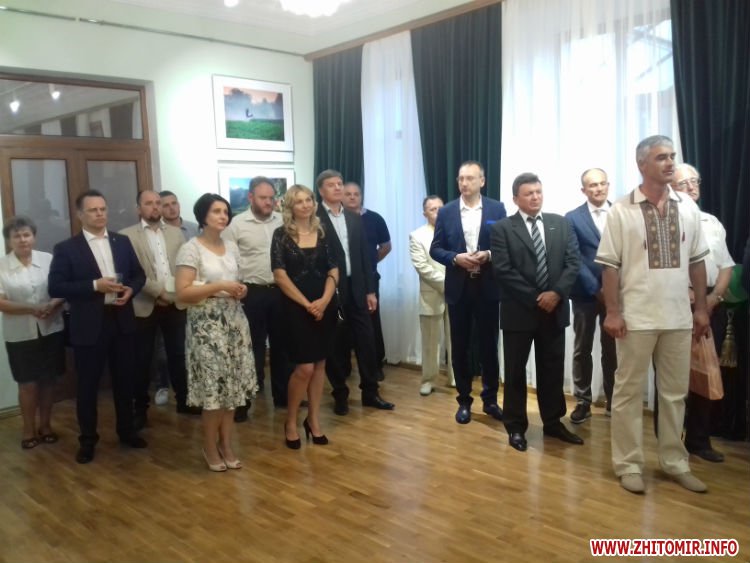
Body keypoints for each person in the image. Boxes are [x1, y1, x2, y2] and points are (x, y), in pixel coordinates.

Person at [596, 135, 710, 494]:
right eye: (661, 157)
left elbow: (697, 261)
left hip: (678, 317)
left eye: (672, 156)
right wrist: (613, 312)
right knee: (628, 393)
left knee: (674, 394)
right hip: (636, 318)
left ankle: (675, 462)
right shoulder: (621, 210)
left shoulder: (687, 207)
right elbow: (610, 267)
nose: (670, 162)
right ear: (641, 164)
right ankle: (629, 464)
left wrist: (701, 308)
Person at [48, 190, 147, 464]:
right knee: (88, 385)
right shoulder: (67, 248)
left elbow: (139, 274)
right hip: (89, 325)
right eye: (93, 210)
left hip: (121, 319)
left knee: (125, 380)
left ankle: (126, 431)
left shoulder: (121, 241)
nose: (100, 214)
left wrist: (131, 290)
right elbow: (56, 287)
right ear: (80, 215)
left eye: (103, 208)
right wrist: (94, 285)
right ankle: (88, 440)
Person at [491, 173, 583, 452]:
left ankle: (553, 423)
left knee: (552, 370)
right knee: (515, 372)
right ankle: (516, 427)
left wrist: (556, 294)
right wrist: (536, 298)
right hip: (519, 311)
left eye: (538, 192)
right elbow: (503, 270)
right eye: (528, 193)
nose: (535, 197)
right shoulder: (503, 228)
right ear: (515, 198)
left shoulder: (561, 223)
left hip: (554, 311)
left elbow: (573, 262)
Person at [175, 193, 257, 472]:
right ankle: (209, 447)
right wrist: (220, 285)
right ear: (203, 216)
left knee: (232, 389)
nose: (223, 216)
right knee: (213, 391)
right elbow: (183, 292)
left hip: (234, 320)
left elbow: (237, 282)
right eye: (216, 211)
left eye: (225, 212)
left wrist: (240, 289)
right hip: (206, 324)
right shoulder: (191, 248)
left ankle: (227, 444)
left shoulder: (231, 247)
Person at [429, 160, 505, 424]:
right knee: (459, 347)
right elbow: (435, 249)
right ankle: (463, 400)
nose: (464, 183)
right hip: (459, 288)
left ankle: (490, 400)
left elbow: (505, 245)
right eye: (461, 178)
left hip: (487, 287)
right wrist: (455, 258)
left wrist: (489, 254)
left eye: (470, 178)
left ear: (482, 181)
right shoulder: (447, 211)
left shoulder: (497, 208)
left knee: (489, 347)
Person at [315, 169, 394, 415]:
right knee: (336, 345)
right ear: (321, 191)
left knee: (366, 341)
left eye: (340, 183)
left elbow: (364, 258)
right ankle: (340, 393)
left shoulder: (354, 217)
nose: (338, 188)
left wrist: (370, 290)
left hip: (358, 288)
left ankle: (370, 392)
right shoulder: (314, 218)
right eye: (332, 185)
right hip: (331, 289)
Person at [671, 163, 734, 462]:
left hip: (711, 303)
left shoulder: (712, 221)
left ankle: (699, 440)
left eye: (695, 181)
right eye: (684, 183)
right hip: (678, 302)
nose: (692, 186)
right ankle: (669, 441)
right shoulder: (665, 221)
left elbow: (726, 265)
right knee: (673, 376)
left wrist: (713, 298)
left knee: (706, 373)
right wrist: (691, 298)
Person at [121, 190, 198, 431]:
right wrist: (159, 293)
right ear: (138, 208)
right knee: (142, 360)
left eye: (157, 203)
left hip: (175, 303)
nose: (155, 207)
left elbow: (184, 266)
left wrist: (173, 294)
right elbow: (134, 272)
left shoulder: (176, 233)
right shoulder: (126, 236)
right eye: (149, 203)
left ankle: (184, 400)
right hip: (145, 304)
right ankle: (140, 410)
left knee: (179, 355)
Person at [271, 185, 339, 448]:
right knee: (305, 368)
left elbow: (334, 269)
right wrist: (307, 304)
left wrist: (324, 301)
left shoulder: (323, 232)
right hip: (295, 309)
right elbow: (279, 275)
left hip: (324, 306)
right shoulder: (281, 235)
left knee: (320, 365)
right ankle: (290, 421)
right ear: (290, 206)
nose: (306, 205)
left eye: (309, 199)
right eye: (299, 201)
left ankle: (313, 420)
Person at [222, 177, 290, 419]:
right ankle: (245, 402)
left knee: (282, 346)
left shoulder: (283, 221)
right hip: (251, 292)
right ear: (250, 197)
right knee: (252, 347)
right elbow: (228, 261)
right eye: (263, 198)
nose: (268, 202)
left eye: (272, 198)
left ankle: (283, 397)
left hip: (280, 291)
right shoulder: (236, 225)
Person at [0, 216, 65, 450]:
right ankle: (28, 429)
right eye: (16, 236)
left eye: (26, 234)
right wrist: (32, 308)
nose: (22, 240)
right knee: (27, 384)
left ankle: (46, 426)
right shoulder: (2, 266)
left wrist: (52, 304)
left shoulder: (48, 259)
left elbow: (62, 289)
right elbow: (1, 302)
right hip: (20, 335)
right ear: (9, 240)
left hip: (51, 329)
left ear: (34, 237)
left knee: (49, 381)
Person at [565, 168, 617, 422]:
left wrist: (613, 289)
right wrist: (596, 289)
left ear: (608, 185)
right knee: (582, 348)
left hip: (617, 293)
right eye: (592, 185)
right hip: (585, 295)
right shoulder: (572, 218)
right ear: (583, 190)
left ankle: (613, 401)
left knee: (612, 349)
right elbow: (574, 258)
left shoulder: (621, 213)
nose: (598, 188)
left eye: (602, 183)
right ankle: (583, 401)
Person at [343, 181, 392, 379]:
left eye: (356, 194)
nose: (352, 197)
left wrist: (369, 264)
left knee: (371, 324)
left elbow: (386, 246)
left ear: (361, 196)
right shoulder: (336, 220)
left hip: (369, 281)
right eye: (348, 194)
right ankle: (344, 366)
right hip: (343, 281)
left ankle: (375, 365)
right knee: (343, 324)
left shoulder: (374, 219)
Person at [409, 196, 455, 396]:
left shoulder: (455, 231)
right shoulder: (417, 235)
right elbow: (422, 267)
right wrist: (448, 284)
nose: (437, 212)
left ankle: (455, 377)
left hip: (457, 294)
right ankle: (428, 380)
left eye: (440, 208)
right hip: (431, 294)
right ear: (424, 213)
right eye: (432, 209)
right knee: (430, 342)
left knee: (456, 339)